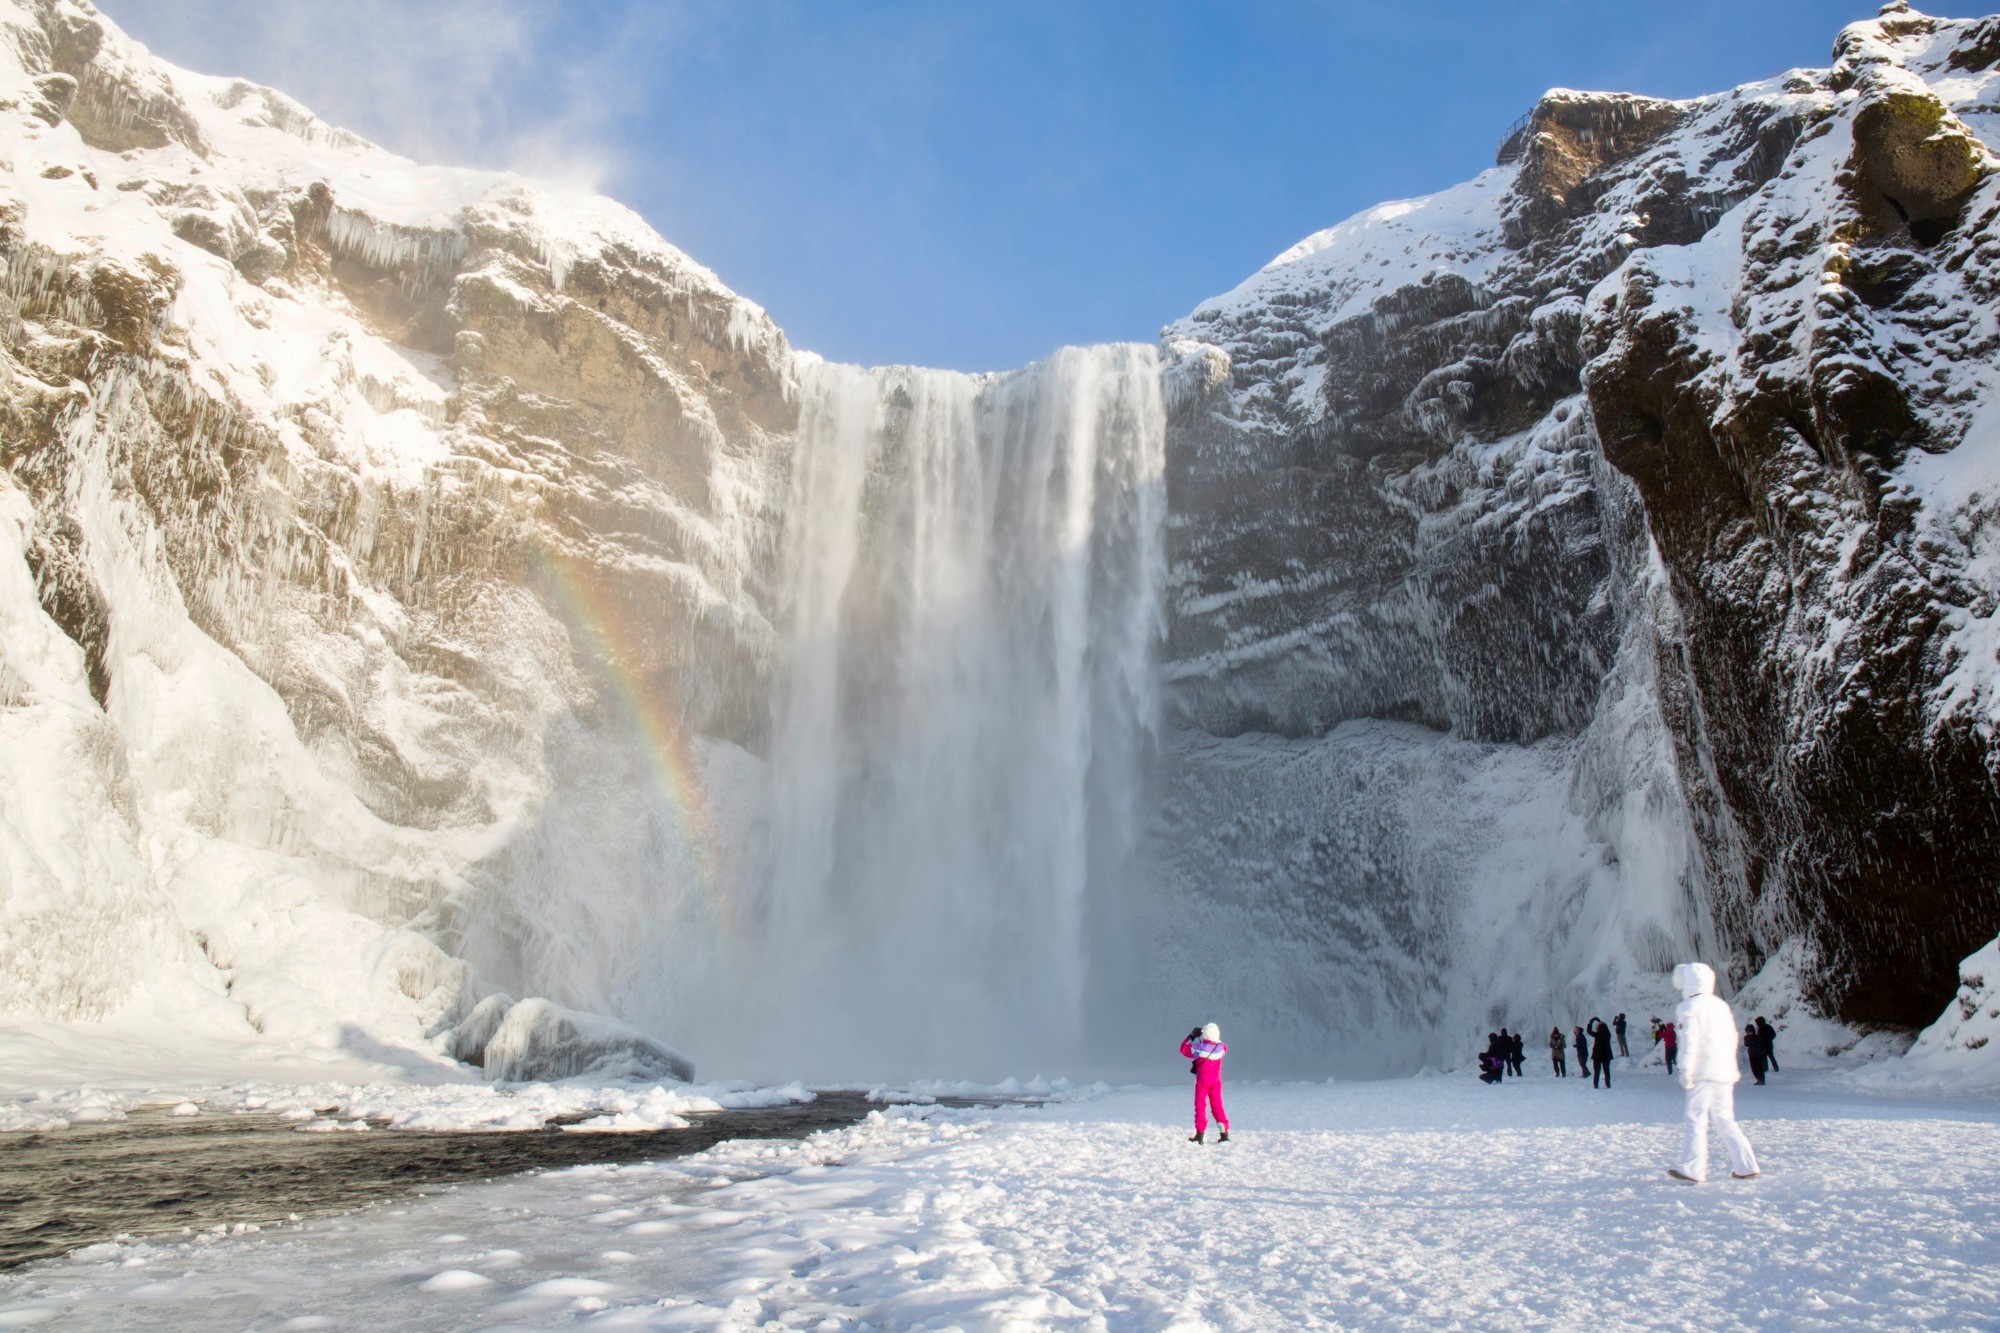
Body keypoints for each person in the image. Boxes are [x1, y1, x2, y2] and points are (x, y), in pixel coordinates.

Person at [1666, 962, 1761, 1183]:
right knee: (1725, 1119)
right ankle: (1747, 1166)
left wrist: (1686, 1068)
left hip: (1702, 1072)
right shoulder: (1720, 1006)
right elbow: (1732, 1038)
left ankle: (1693, 1168)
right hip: (1724, 1072)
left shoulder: (1688, 1007)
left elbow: (1689, 1041)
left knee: (1695, 1118)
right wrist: (1729, 1065)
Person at [1180, 1023, 1229, 1143]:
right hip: (1216, 1082)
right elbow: (1221, 1045)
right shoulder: (1221, 1048)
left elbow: (1183, 1049)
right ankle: (1224, 1134)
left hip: (1202, 1082)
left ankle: (1200, 1135)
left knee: (1200, 1107)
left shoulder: (1198, 1048)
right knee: (1217, 1106)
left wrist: (1191, 1036)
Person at [1589, 1017, 1614, 1088]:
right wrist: (1600, 1021)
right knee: (1606, 1071)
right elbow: (1603, 1026)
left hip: (1597, 1056)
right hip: (1607, 1055)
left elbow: (1589, 1031)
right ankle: (1608, 1084)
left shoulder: (1597, 1034)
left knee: (1596, 1071)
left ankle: (1596, 1085)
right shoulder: (1608, 1034)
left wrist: (1591, 1021)